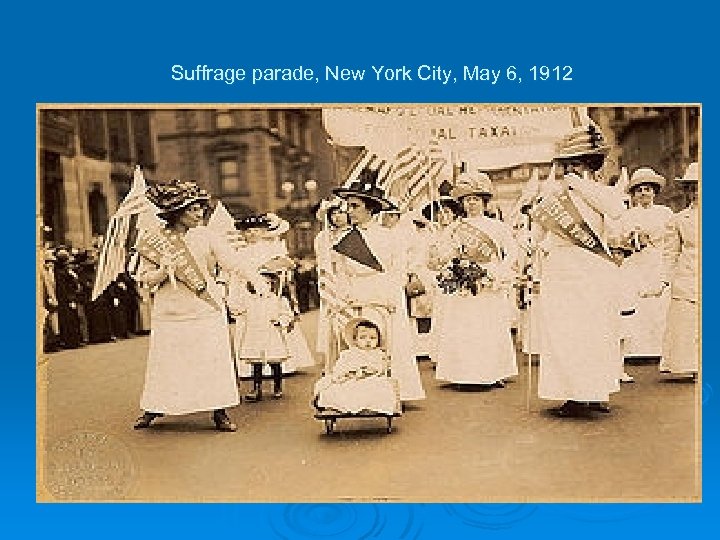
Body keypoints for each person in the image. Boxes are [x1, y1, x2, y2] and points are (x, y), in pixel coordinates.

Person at [132, 179, 255, 432]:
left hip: (205, 307)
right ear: (177, 212)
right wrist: (164, 270)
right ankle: (154, 406)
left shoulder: (207, 236)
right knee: (166, 361)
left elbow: (232, 262)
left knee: (212, 360)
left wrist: (254, 277)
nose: (200, 214)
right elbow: (144, 279)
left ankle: (219, 410)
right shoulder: (154, 240)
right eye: (193, 209)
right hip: (170, 310)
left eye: (201, 208)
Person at [534, 124, 626, 417]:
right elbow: (541, 237)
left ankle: (596, 390)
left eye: (582, 163)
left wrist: (582, 186)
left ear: (592, 165)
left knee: (597, 333)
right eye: (571, 164)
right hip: (562, 271)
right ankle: (572, 393)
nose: (574, 170)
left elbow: (616, 211)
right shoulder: (554, 198)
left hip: (593, 270)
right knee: (566, 334)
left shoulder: (601, 193)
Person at [332, 172, 426, 404]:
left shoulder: (390, 237)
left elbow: (398, 270)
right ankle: (359, 395)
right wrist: (343, 297)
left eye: (355, 206)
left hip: (383, 293)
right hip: (355, 294)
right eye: (348, 206)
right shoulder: (344, 239)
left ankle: (390, 392)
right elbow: (340, 272)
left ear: (370, 209)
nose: (349, 211)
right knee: (357, 342)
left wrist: (389, 297)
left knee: (387, 342)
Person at [429, 172, 518, 387]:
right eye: (467, 200)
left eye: (475, 199)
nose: (471, 204)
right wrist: (446, 262)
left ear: (484, 202)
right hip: (462, 286)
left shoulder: (498, 227)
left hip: (488, 283)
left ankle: (493, 373)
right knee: (463, 329)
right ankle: (463, 375)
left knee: (489, 328)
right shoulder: (454, 228)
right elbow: (445, 255)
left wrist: (497, 274)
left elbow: (512, 253)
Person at [616, 168, 674, 362]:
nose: (643, 193)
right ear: (633, 194)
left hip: (658, 260)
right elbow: (623, 239)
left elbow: (671, 238)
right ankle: (637, 349)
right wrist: (634, 239)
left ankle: (659, 348)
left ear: (654, 192)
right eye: (639, 190)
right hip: (637, 262)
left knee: (659, 303)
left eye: (648, 189)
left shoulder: (665, 213)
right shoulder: (628, 215)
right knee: (638, 302)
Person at [230, 270, 294, 401]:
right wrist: (236, 290)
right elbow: (237, 309)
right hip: (255, 334)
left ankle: (277, 386)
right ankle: (256, 388)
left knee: (274, 362)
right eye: (261, 283)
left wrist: (280, 320)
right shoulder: (249, 300)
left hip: (271, 334)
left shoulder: (278, 300)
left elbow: (287, 314)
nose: (265, 286)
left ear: (272, 285)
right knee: (256, 363)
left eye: (268, 283)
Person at [661, 162, 699, 378]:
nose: (695, 192)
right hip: (687, 275)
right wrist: (664, 279)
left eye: (699, 186)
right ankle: (693, 366)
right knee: (687, 322)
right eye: (691, 187)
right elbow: (671, 253)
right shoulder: (678, 219)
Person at [313, 317, 399, 415]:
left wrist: (372, 370)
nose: (368, 341)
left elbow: (382, 368)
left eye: (372, 338)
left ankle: (369, 405)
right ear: (355, 340)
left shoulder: (378, 354)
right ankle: (336, 406)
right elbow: (339, 367)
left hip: (371, 379)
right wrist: (347, 373)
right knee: (338, 389)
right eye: (363, 337)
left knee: (381, 388)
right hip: (351, 379)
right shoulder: (348, 354)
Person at [313, 199, 350, 362]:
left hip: (349, 278)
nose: (336, 217)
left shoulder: (353, 234)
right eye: (333, 214)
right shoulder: (323, 237)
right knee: (331, 318)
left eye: (340, 213)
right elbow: (321, 260)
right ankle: (334, 357)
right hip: (332, 279)